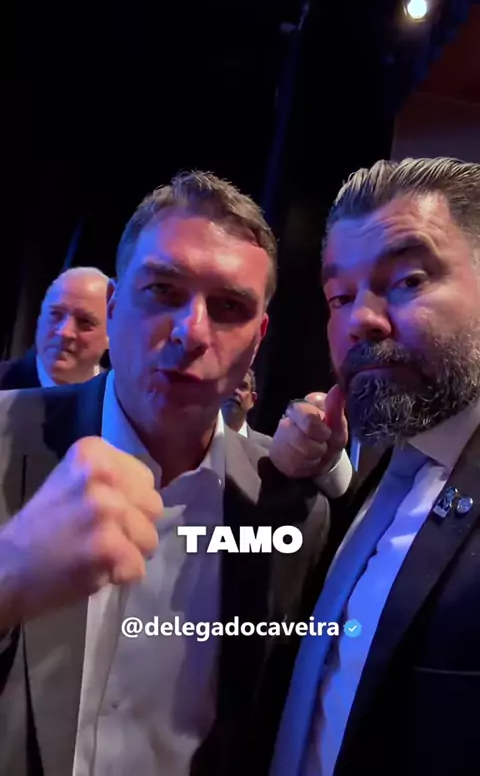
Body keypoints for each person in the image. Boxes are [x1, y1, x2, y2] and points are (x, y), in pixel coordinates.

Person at [0, 170, 352, 776]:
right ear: (114, 308)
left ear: (258, 339)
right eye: (162, 290)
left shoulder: (286, 507)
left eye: (230, 307)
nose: (191, 332)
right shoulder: (6, 437)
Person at [270, 157, 480, 776]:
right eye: (339, 296)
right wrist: (309, 479)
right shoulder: (381, 461)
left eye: (409, 279)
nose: (359, 319)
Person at [0, 266, 110, 389]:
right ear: (40, 317)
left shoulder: (120, 395)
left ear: (111, 335)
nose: (64, 331)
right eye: (56, 314)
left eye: (84, 321)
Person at [221, 367, 269, 445]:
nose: (235, 391)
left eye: (242, 387)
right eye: (230, 384)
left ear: (252, 399)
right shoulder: (200, 431)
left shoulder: (266, 447)